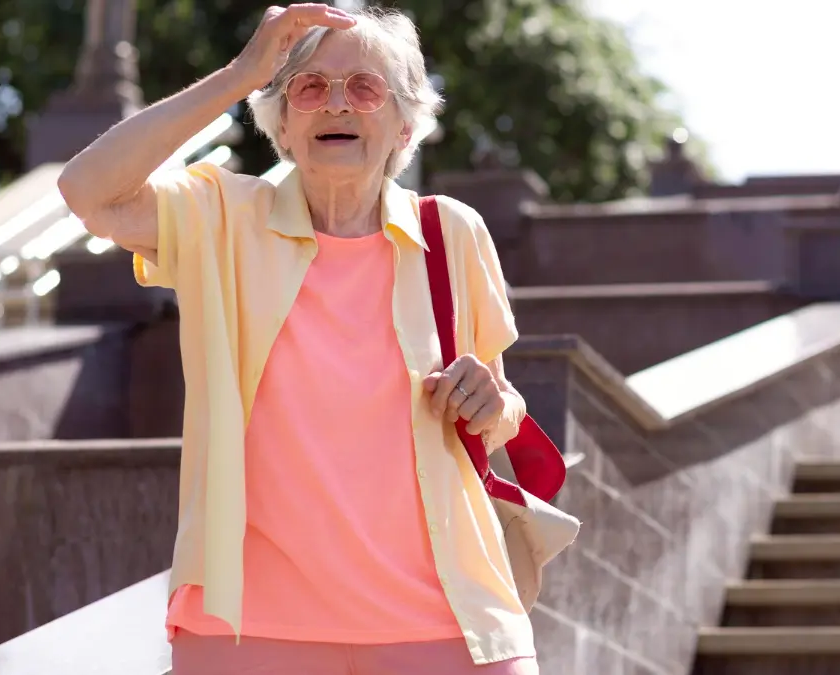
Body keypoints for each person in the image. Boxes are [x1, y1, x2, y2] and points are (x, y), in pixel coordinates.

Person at [58, 4, 538, 674]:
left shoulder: (452, 232)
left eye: (365, 88)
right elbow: (88, 191)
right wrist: (239, 74)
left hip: (447, 620)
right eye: (309, 88)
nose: (335, 104)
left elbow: (500, 402)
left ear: (405, 123)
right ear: (282, 123)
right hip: (250, 627)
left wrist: (493, 400)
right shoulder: (222, 216)